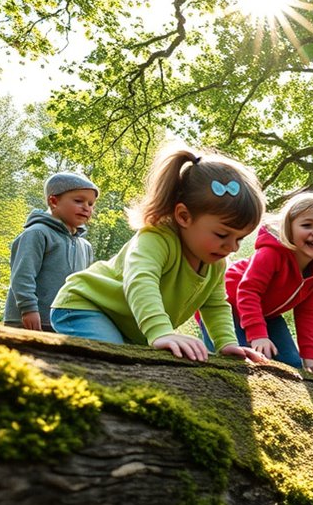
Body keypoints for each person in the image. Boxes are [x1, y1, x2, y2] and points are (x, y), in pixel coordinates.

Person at [50, 144, 266, 363]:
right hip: (85, 306)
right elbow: (141, 281)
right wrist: (161, 331)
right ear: (183, 216)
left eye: (240, 238)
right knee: (115, 363)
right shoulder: (155, 239)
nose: (232, 247)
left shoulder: (216, 263)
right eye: (222, 235)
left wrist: (227, 344)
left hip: (128, 327)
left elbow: (215, 304)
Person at [205, 194, 313, 373]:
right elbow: (248, 291)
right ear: (289, 229)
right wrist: (258, 335)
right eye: (306, 225)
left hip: (266, 315)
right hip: (226, 305)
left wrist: (309, 359)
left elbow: (308, 312)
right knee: (240, 360)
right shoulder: (271, 254)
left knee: (292, 365)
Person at [4, 172, 99, 332]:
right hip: (29, 321)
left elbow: (83, 285)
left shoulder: (85, 245)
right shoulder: (37, 233)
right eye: (78, 201)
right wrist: (29, 309)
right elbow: (22, 275)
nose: (86, 208)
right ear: (53, 201)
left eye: (91, 204)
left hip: (64, 323)